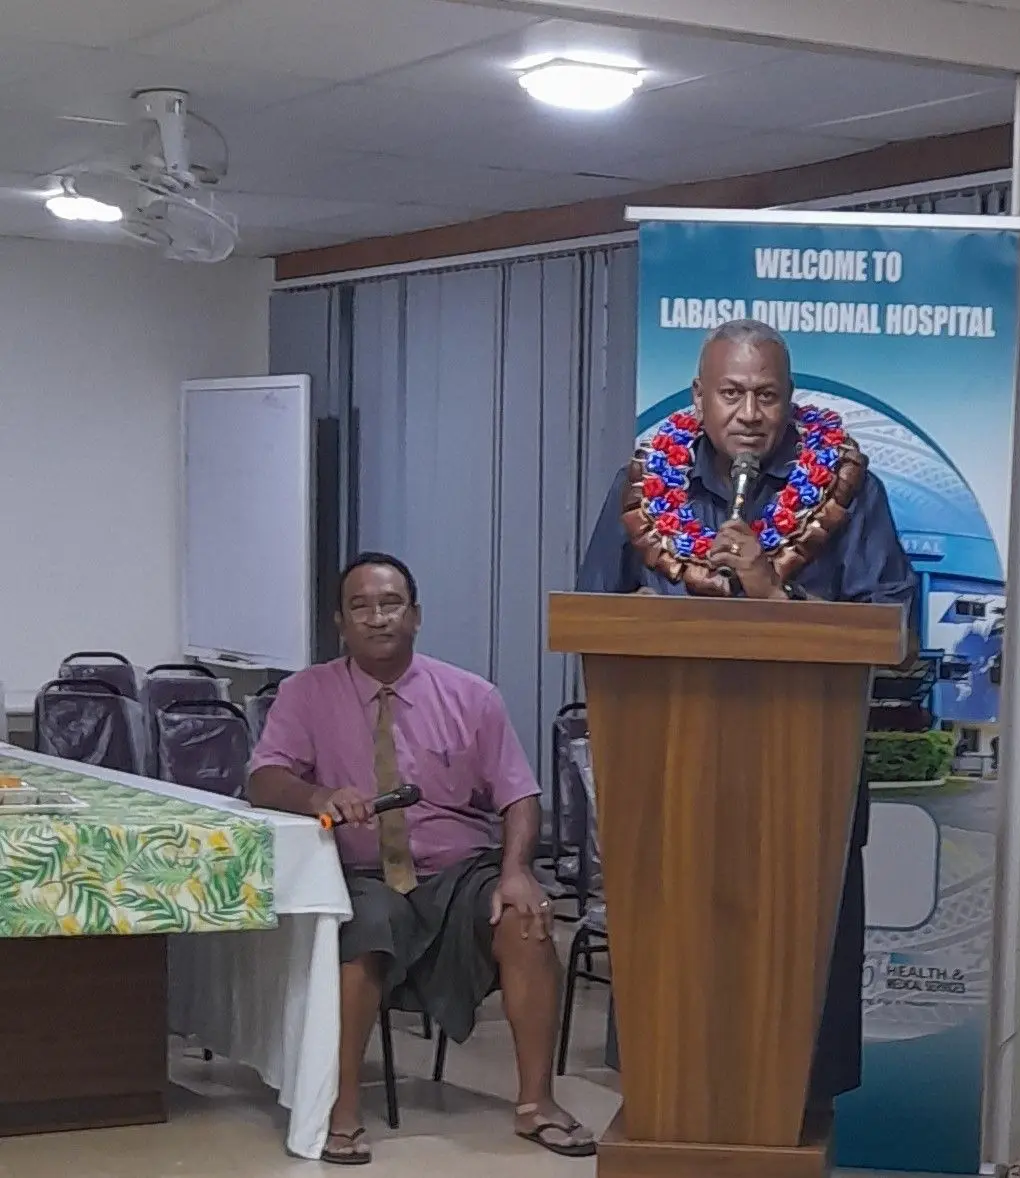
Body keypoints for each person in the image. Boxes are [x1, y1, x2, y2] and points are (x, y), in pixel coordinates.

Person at [577, 318, 917, 1108]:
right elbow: (590, 613)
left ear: (792, 402)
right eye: (731, 393)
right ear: (698, 398)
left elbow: (895, 637)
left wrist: (774, 594)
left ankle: (787, 1128)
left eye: (767, 395)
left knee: (793, 1015)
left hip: (805, 797)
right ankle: (669, 1119)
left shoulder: (850, 491)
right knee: (679, 1002)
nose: (750, 413)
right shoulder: (642, 484)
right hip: (668, 789)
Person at [248, 552, 595, 1165]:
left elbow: (519, 795)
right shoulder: (307, 693)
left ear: (415, 616)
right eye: (361, 606)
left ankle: (536, 1103)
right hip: (357, 871)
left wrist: (516, 871)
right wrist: (319, 796)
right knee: (360, 932)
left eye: (390, 604)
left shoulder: (472, 695)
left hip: (457, 872)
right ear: (340, 622)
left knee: (526, 920)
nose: (377, 618)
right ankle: (342, 1109)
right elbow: (264, 779)